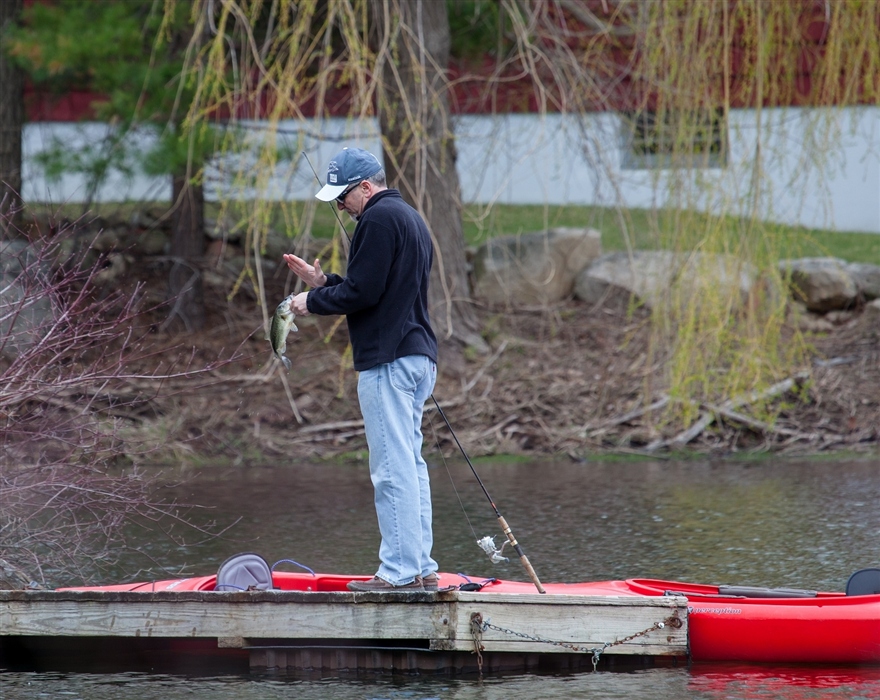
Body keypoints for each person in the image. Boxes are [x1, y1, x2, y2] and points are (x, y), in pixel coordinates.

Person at [283, 147, 439, 592]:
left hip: (388, 359)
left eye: (343, 197)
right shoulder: (408, 217)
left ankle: (398, 574)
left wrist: (308, 302)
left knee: (391, 469)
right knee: (410, 464)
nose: (340, 206)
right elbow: (372, 287)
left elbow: (364, 295)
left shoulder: (376, 218)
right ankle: (421, 568)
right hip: (416, 355)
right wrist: (324, 284)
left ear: (366, 187)